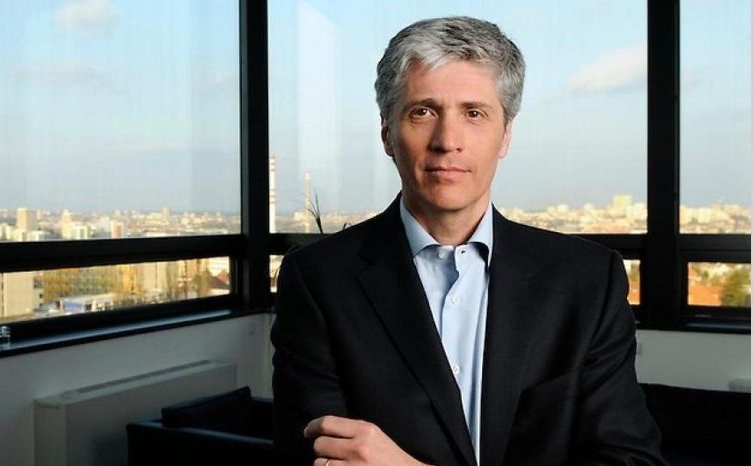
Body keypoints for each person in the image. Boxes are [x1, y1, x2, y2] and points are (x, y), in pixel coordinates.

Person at [271, 16, 666, 466]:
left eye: (474, 113)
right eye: (422, 112)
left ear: (506, 134)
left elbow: (631, 462)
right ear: (387, 134)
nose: (447, 141)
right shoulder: (318, 280)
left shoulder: (587, 280)